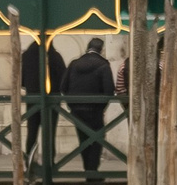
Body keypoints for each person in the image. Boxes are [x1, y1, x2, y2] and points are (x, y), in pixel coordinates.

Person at [63, 37, 115, 177]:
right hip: (95, 110)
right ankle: (92, 172)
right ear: (101, 50)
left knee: (83, 139)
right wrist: (101, 107)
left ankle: (88, 169)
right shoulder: (103, 65)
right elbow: (109, 90)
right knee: (98, 139)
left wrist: (71, 104)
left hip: (76, 110)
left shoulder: (74, 64)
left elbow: (63, 86)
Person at [19, 36, 66, 166]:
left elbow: (21, 80)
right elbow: (63, 79)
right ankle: (49, 161)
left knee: (32, 131)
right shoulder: (55, 56)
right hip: (52, 102)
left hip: (32, 100)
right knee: (49, 133)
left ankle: (30, 161)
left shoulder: (26, 56)